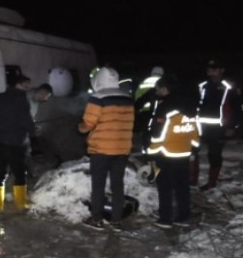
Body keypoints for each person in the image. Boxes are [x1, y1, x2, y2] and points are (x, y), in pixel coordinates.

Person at [78, 66, 134, 231]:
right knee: (118, 185)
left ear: (99, 80)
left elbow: (88, 123)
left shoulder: (98, 97)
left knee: (98, 185)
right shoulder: (127, 98)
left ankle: (97, 219)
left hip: (101, 149)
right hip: (122, 149)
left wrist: (80, 128)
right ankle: (117, 220)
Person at [146, 76, 200, 229]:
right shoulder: (190, 107)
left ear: (165, 89)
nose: (156, 92)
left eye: (158, 89)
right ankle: (182, 217)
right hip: (183, 153)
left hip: (166, 153)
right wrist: (193, 149)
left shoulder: (166, 107)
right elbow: (195, 133)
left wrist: (151, 153)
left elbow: (158, 135)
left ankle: (165, 218)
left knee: (165, 187)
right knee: (182, 186)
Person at [193, 59, 242, 190]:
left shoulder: (229, 87)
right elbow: (195, 104)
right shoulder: (202, 86)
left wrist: (233, 126)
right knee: (193, 151)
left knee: (214, 154)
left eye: (214, 69)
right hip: (200, 126)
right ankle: (192, 179)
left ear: (222, 70)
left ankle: (212, 181)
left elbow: (237, 108)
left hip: (219, 128)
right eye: (209, 69)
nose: (211, 72)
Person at [0, 74, 32, 212]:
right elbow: (25, 120)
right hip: (16, 142)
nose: (28, 87)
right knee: (20, 173)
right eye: (26, 84)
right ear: (18, 84)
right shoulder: (22, 99)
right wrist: (33, 134)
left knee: (0, 174)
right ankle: (21, 204)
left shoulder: (0, 97)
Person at [28, 83, 53, 157]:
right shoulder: (26, 98)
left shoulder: (36, 102)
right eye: (47, 96)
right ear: (42, 92)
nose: (46, 100)